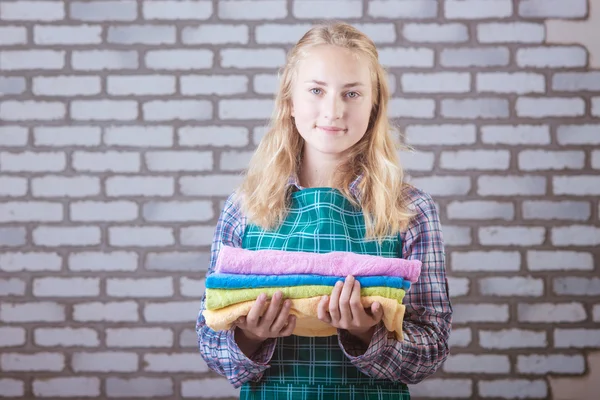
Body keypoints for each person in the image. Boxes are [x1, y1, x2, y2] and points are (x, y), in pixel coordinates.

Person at [196, 22, 452, 400]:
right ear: (290, 102)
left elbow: (431, 349)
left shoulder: (410, 210)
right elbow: (210, 344)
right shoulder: (245, 207)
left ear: (374, 105)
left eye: (352, 93)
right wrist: (250, 334)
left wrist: (368, 334)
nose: (333, 110)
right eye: (316, 90)